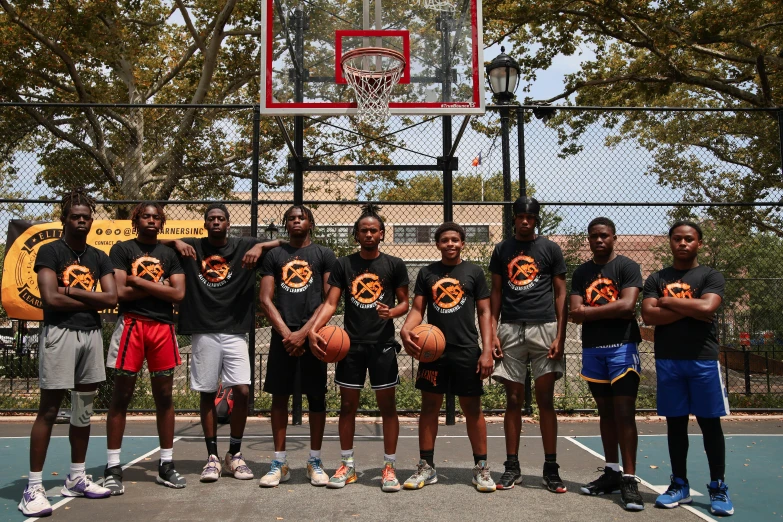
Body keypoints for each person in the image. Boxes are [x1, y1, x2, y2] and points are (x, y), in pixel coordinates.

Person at [162, 203, 280, 483]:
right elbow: (153, 242)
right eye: (211, 219)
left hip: (235, 331)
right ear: (205, 224)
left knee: (241, 390)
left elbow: (285, 243)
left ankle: (235, 454)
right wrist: (176, 240)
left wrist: (261, 246)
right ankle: (213, 457)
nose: (216, 222)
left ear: (228, 223)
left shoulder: (244, 246)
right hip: (203, 329)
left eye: (221, 218)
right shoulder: (192, 247)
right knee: (206, 392)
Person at [19, 189, 118, 517]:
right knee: (49, 409)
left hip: (91, 336)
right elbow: (51, 299)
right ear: (65, 219)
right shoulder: (50, 252)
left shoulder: (98, 256)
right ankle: (32, 487)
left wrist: (71, 289)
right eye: (76, 216)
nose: (82, 221)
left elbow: (111, 299)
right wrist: (90, 296)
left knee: (83, 411)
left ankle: (76, 477)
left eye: (87, 217)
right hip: (60, 335)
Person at [308, 204, 409, 492]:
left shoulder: (394, 264)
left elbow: (405, 302)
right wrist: (314, 330)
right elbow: (330, 303)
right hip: (350, 345)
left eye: (373, 230)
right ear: (356, 235)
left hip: (382, 344)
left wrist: (393, 312)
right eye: (363, 230)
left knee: (387, 407)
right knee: (348, 406)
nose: (368, 234)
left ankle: (389, 467)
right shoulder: (344, 265)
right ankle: (347, 465)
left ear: (381, 234)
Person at [641, 221, 733, 516]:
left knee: (710, 424)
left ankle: (718, 487)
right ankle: (679, 484)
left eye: (689, 239)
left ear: (699, 243)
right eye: (677, 239)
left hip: (703, 360)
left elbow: (708, 308)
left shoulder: (710, 275)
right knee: (676, 424)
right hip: (669, 360)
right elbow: (649, 315)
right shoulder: (657, 277)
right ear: (670, 242)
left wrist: (667, 302)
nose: (682, 243)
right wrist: (688, 308)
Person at [399, 222, 496, 492]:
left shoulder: (474, 272)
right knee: (429, 408)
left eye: (455, 240)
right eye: (445, 240)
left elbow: (485, 313)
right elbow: (418, 309)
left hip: (466, 350)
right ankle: (426, 467)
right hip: (433, 352)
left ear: (462, 243)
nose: (450, 244)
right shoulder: (427, 273)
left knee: (473, 410)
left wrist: (486, 350)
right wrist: (406, 329)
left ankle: (481, 468)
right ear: (438, 244)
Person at [103, 202, 186, 494]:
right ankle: (113, 467)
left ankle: (166, 464)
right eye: (146, 216)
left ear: (162, 222)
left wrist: (137, 279)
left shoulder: (170, 254)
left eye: (156, 217)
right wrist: (155, 285)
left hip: (162, 328)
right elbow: (120, 292)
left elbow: (178, 293)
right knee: (121, 396)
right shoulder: (122, 249)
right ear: (136, 220)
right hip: (132, 326)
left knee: (164, 396)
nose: (151, 220)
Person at [489, 196, 568, 492]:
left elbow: (561, 294)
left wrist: (560, 334)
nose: (525, 220)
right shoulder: (502, 249)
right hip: (509, 328)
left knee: (545, 400)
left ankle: (550, 467)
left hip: (544, 328)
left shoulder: (549, 249)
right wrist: (493, 332)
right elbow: (496, 292)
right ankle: (512, 466)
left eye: (530, 217)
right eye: (520, 216)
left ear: (536, 219)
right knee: (513, 400)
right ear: (514, 219)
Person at [258, 205, 336, 487]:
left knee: (316, 398)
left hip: (313, 336)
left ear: (310, 222)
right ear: (285, 225)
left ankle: (314, 460)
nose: (295, 221)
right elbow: (266, 299)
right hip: (284, 338)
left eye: (301, 217)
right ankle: (279, 461)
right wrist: (287, 335)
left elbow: (329, 300)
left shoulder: (324, 254)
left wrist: (304, 333)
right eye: (290, 218)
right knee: (279, 398)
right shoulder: (275, 256)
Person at [570, 217, 644, 511]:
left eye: (604, 235)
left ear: (614, 237)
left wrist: (590, 312)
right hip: (593, 349)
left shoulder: (627, 267)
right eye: (593, 236)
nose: (598, 240)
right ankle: (612, 471)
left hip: (623, 347)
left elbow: (629, 306)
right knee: (604, 413)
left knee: (624, 412)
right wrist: (604, 312)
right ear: (588, 239)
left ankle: (629, 478)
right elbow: (575, 311)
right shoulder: (582, 272)